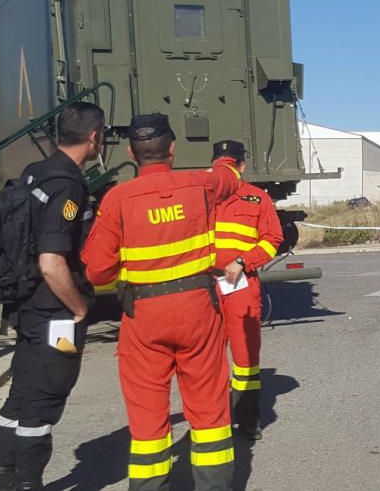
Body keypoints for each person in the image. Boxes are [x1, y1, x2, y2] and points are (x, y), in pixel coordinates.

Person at [82, 113, 242, 491]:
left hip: (145, 318)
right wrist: (224, 162)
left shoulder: (117, 199)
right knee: (209, 414)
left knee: (148, 420)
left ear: (131, 152)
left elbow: (97, 273)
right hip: (198, 312)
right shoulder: (200, 185)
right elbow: (230, 181)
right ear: (172, 149)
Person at [0, 102, 104, 491]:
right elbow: (53, 261)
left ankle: (2, 480)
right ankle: (28, 484)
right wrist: (80, 306)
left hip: (26, 305)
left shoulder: (35, 172)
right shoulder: (67, 185)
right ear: (93, 138)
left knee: (20, 397)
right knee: (45, 400)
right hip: (55, 312)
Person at [211, 140, 284, 441]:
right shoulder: (201, 196)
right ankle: (215, 421)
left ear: (239, 167)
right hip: (205, 286)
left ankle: (247, 420)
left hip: (240, 285)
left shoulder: (257, 199)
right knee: (210, 358)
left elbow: (273, 238)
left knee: (244, 359)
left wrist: (243, 261)